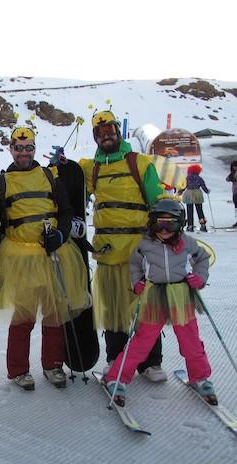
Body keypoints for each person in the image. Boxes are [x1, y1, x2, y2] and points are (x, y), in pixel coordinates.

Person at [0, 126, 90, 391]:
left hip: (54, 253)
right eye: (18, 148)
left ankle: (53, 365)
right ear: (11, 149)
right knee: (24, 314)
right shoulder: (1, 183)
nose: (23, 152)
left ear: (34, 149)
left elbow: (65, 211)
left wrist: (62, 234)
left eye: (29, 147)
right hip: (20, 256)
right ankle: (19, 370)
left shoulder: (49, 175)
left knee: (55, 311)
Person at [78, 110, 166, 381]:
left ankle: (150, 363)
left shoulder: (139, 164)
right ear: (95, 137)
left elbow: (158, 201)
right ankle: (116, 359)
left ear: (118, 131)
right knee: (115, 310)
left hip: (139, 254)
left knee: (144, 309)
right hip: (108, 252)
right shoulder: (92, 168)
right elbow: (72, 186)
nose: (107, 136)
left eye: (110, 130)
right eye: (101, 133)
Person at [104, 198, 215, 406]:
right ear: (151, 223)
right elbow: (135, 265)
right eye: (159, 223)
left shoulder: (187, 242)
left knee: (190, 340)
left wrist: (199, 278)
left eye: (170, 224)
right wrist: (137, 281)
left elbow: (203, 258)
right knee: (142, 341)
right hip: (154, 295)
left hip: (180, 295)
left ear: (179, 224)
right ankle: (117, 377)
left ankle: (200, 377)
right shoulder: (145, 244)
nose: (164, 230)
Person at [179, 164, 210, 232]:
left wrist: (179, 192)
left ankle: (190, 226)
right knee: (199, 209)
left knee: (189, 210)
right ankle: (203, 225)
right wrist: (207, 191)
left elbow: (183, 186)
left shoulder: (187, 178)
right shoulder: (199, 178)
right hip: (197, 194)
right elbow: (203, 186)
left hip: (189, 194)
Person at [227, 160, 237, 228]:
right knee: (236, 207)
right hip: (235, 192)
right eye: (233, 167)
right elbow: (227, 179)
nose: (235, 168)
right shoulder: (232, 173)